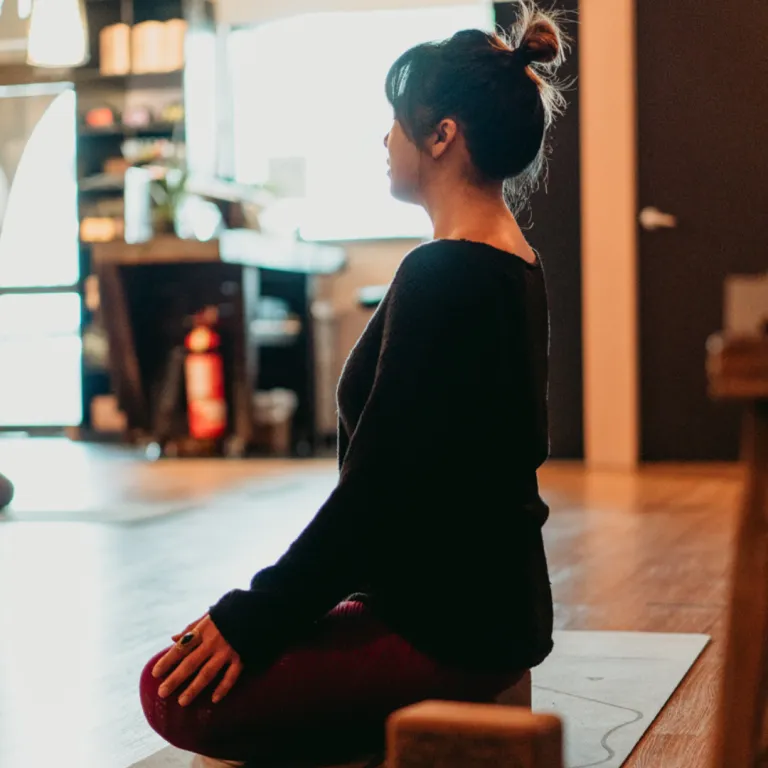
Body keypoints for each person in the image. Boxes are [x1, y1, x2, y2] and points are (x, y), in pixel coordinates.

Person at [141, 3, 566, 764]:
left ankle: (414, 721)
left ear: (442, 136)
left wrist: (253, 616)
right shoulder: (516, 263)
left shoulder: (443, 273)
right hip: (497, 612)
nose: (385, 139)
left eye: (396, 122)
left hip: (448, 631)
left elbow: (375, 492)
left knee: (168, 689)